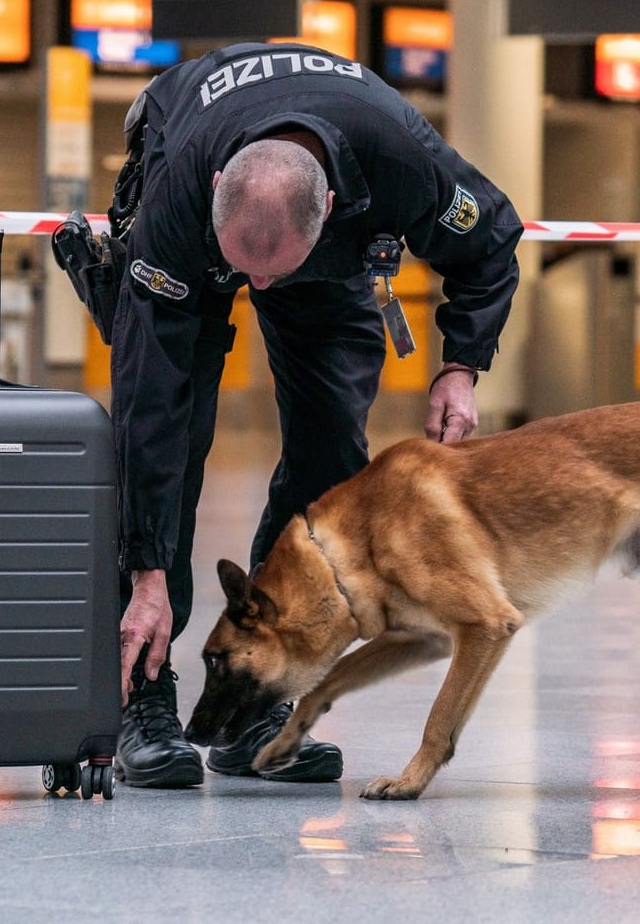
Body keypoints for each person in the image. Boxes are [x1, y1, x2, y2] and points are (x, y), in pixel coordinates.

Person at [71, 41, 522, 788]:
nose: (253, 288)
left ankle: (254, 701)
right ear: (217, 187)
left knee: (332, 459)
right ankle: (140, 699)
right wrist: (147, 568)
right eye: (241, 270)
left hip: (329, 250)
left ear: (333, 213)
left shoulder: (402, 162)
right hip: (189, 202)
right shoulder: (182, 194)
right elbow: (151, 406)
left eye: (267, 275)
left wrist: (460, 366)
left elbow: (493, 241)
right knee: (170, 440)